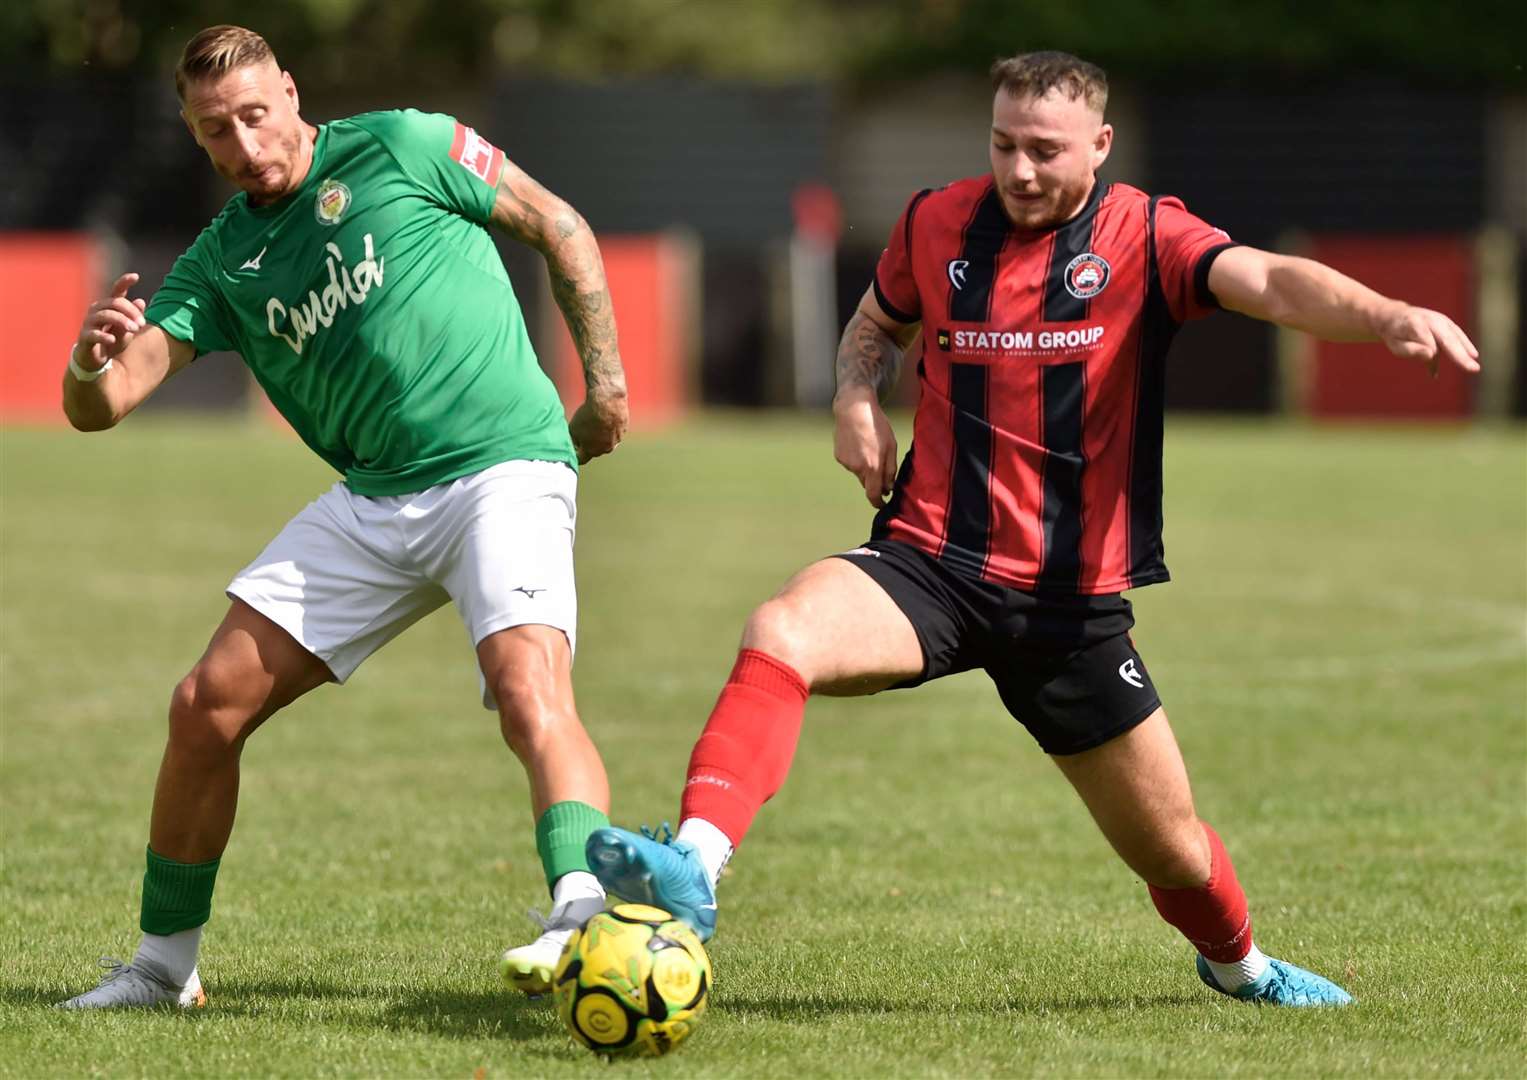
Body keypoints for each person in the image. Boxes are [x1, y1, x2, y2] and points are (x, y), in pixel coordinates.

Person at [587, 50, 1480, 1008]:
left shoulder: (1143, 233)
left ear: (1099, 145)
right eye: (1004, 144)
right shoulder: (937, 221)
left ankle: (1241, 967)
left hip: (1069, 609)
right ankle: (695, 862)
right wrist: (854, 394)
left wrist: (1382, 312)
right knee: (781, 630)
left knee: (1172, 849)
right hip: (928, 565)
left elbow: (1264, 280)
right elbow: (878, 321)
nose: (1019, 170)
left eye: (1045, 151)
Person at [58, 24, 630, 1009]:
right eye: (214, 132)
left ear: (290, 90)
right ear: (196, 139)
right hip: (376, 499)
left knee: (526, 680)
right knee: (205, 706)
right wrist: (86, 361)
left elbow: (558, 223)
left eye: (252, 114)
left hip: (501, 464)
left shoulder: (405, 145)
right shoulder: (222, 260)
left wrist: (607, 389)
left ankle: (579, 908)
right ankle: (163, 968)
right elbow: (104, 406)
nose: (242, 144)